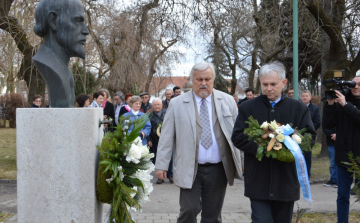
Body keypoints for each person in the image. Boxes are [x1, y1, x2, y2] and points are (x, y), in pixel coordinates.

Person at [155, 62, 242, 223]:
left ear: (213, 80)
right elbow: (166, 137)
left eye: (207, 79)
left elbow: (238, 135)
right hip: (190, 168)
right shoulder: (177, 103)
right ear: (192, 80)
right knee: (189, 209)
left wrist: (242, 161)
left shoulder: (228, 101)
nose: (203, 83)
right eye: (199, 79)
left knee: (213, 216)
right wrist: (161, 165)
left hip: (218, 169)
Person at [231, 61, 315, 223]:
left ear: (283, 83)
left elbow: (309, 138)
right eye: (265, 84)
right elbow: (238, 137)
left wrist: (287, 148)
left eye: (273, 84)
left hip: (286, 179)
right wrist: (264, 147)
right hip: (258, 179)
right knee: (262, 220)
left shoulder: (298, 108)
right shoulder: (247, 107)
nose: (268, 88)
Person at [32, 0, 89, 107]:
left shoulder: (67, 74)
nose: (86, 31)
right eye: (77, 21)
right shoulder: (50, 67)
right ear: (53, 21)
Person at [323, 76, 360, 223]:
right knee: (343, 195)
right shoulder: (342, 99)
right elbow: (329, 123)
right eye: (354, 84)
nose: (356, 87)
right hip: (343, 156)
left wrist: (345, 105)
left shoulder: (345, 102)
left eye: (359, 84)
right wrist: (331, 105)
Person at [147, 98, 173, 184]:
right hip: (155, 140)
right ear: (152, 106)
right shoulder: (149, 115)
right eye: (155, 105)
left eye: (158, 104)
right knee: (157, 158)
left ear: (162, 105)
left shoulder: (168, 112)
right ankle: (160, 177)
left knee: (169, 157)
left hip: (168, 139)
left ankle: (170, 174)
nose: (157, 106)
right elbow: (148, 128)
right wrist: (149, 139)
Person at [301, 90, 321, 179]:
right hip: (298, 134)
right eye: (303, 96)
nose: (305, 97)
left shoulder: (315, 108)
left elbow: (318, 122)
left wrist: (310, 128)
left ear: (310, 97)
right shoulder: (298, 107)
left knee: (307, 156)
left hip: (309, 135)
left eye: (306, 96)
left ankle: (307, 174)